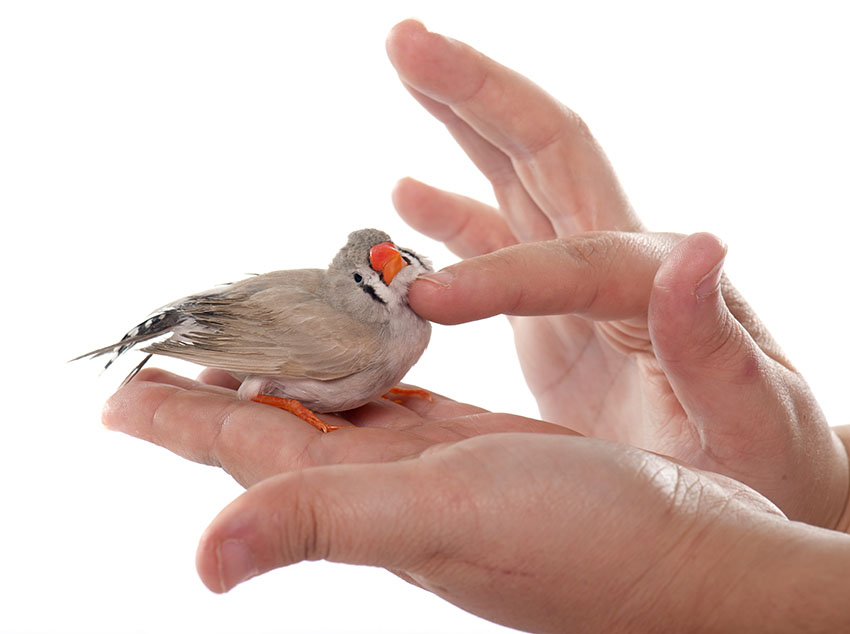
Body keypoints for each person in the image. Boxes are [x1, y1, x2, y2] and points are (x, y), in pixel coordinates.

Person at [102, 19, 850, 633]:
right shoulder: (350, 333)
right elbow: (255, 363)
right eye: (375, 283)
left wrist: (715, 551)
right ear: (357, 283)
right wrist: (803, 521)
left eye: (402, 268)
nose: (396, 290)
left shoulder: (412, 322)